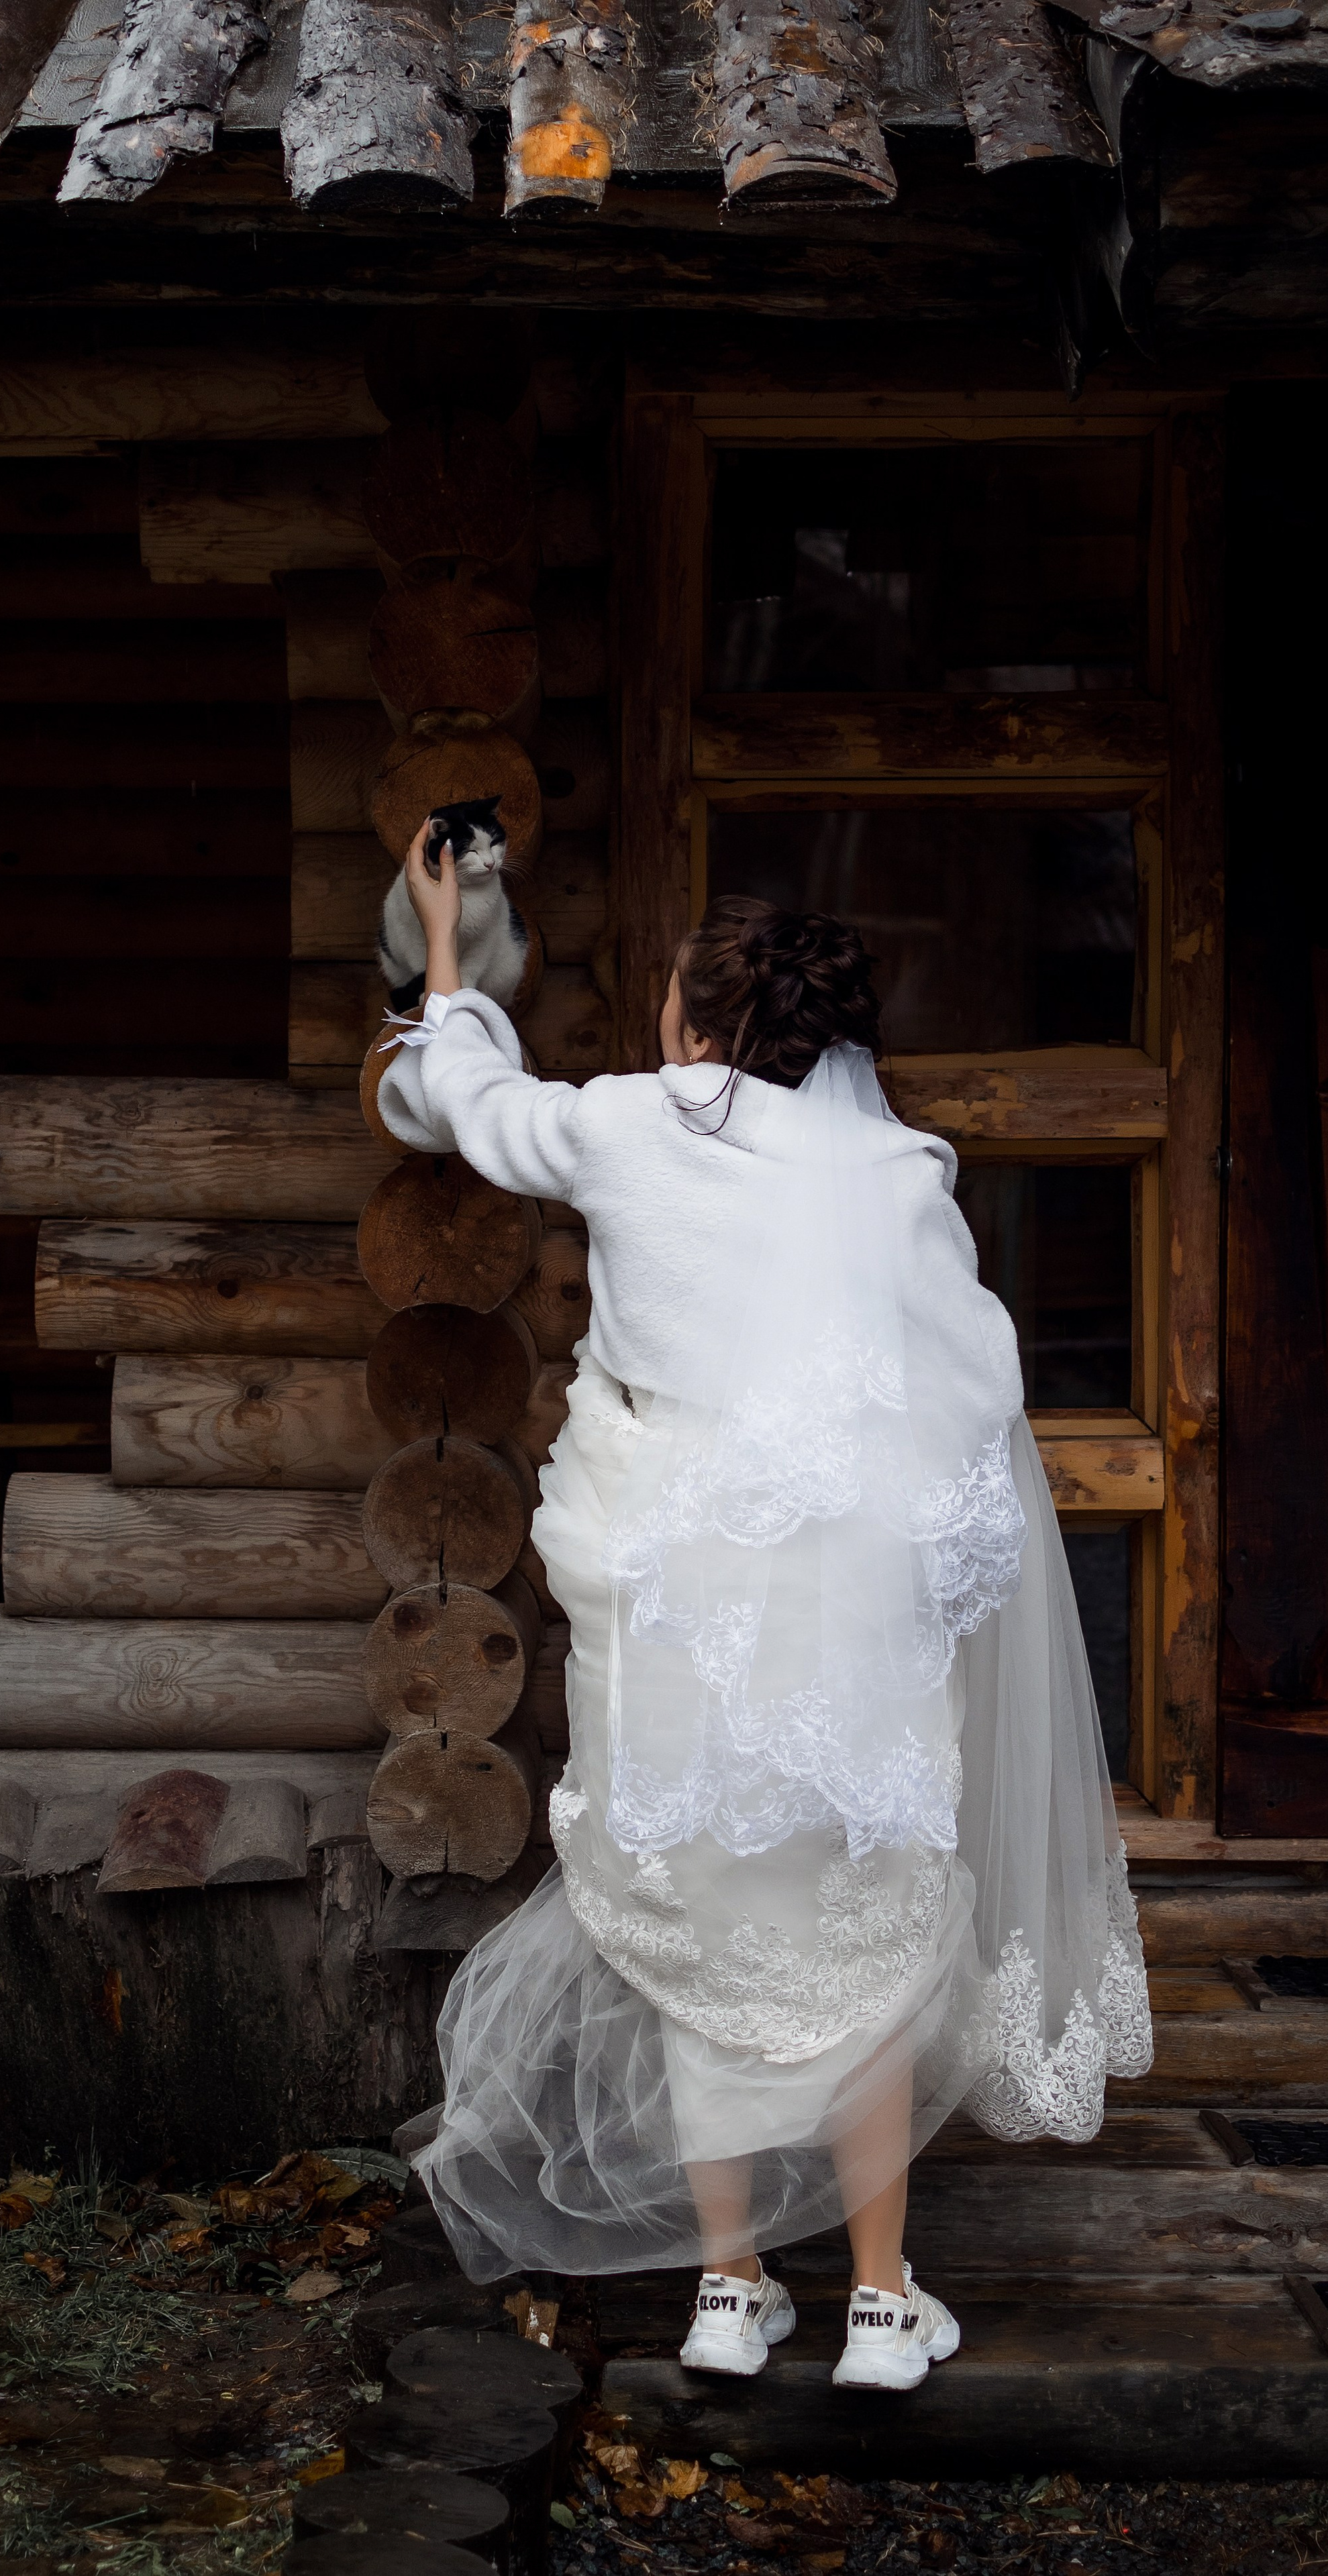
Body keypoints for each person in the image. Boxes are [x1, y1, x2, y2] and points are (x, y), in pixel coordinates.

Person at [376, 818, 1153, 2392]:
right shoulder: (893, 1175)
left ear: (695, 1024)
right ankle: (876, 2300)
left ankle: (728, 2290)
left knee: (703, 1927)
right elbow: (969, 1391)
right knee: (858, 1933)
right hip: (847, 1619)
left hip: (668, 1599)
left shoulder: (623, 1124)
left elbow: (466, 1102)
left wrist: (446, 946)